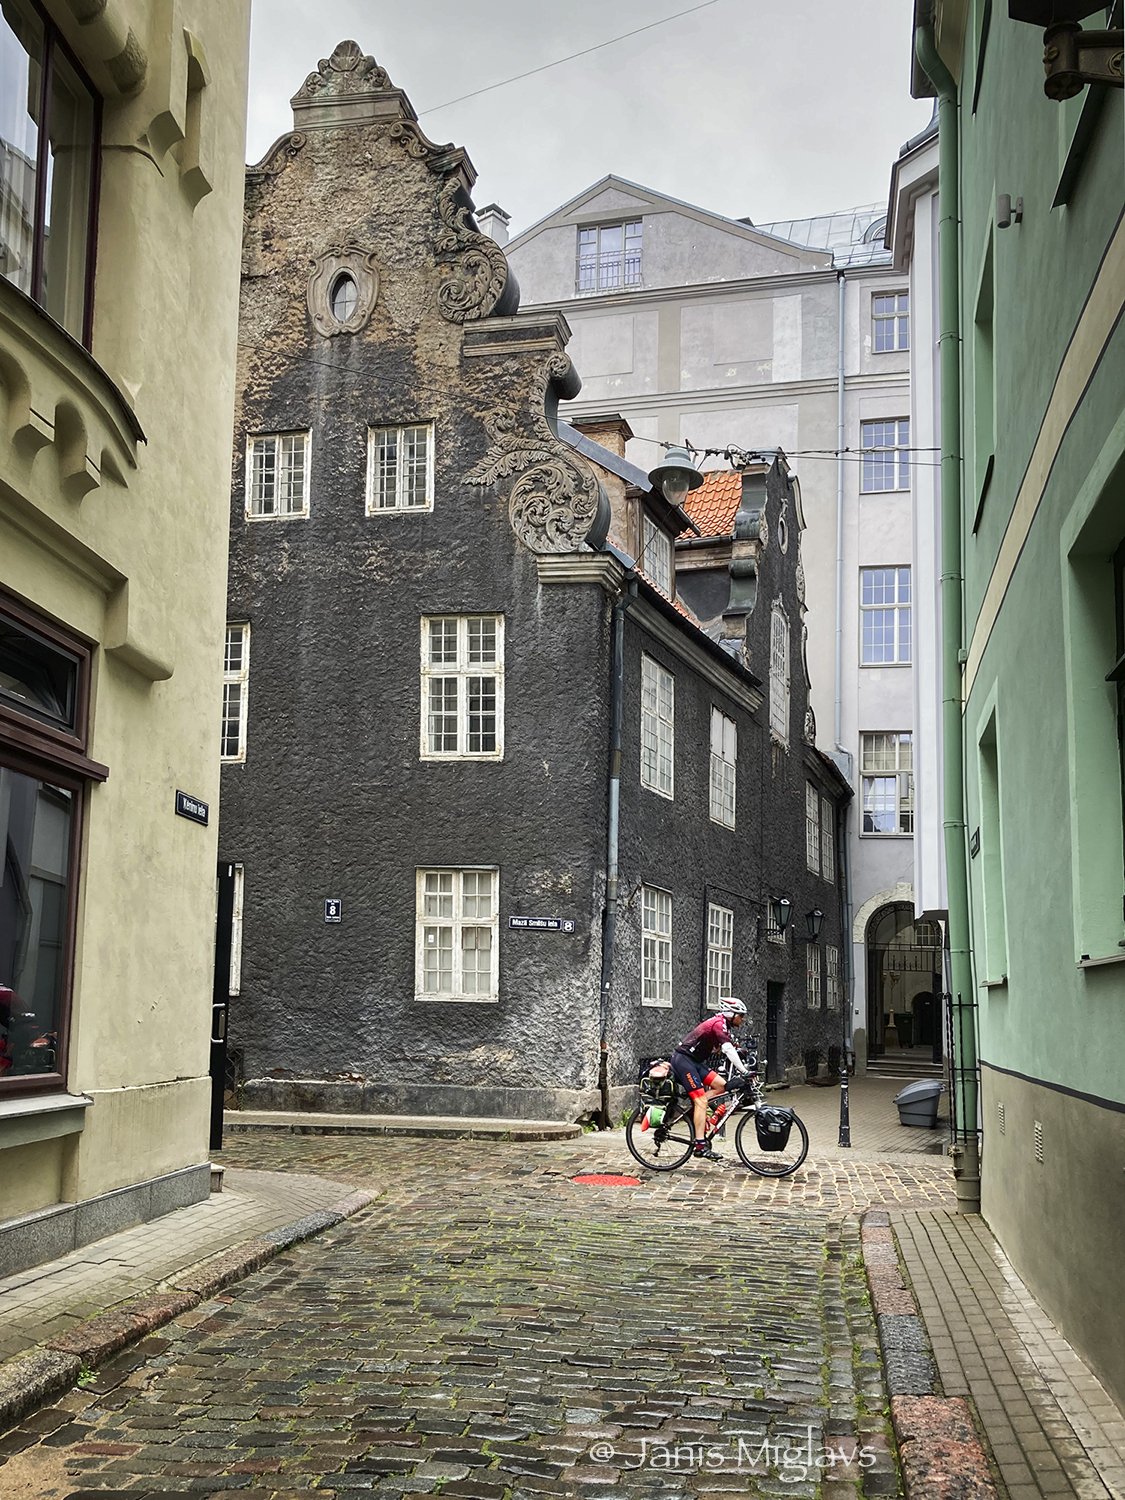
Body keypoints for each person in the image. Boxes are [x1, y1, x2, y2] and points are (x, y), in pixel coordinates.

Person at [671, 996, 749, 1160]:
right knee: (701, 1100)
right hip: (684, 1061)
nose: (742, 1020)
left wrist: (740, 1052)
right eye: (740, 1016)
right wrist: (744, 1071)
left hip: (695, 1062)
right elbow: (727, 1049)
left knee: (722, 1086)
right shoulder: (718, 1024)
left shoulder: (724, 1026)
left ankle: (697, 1110)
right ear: (731, 1014)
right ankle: (700, 1145)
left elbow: (728, 1046)